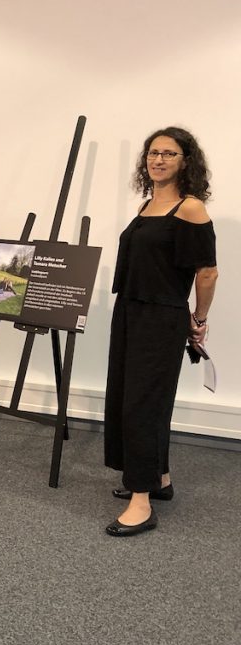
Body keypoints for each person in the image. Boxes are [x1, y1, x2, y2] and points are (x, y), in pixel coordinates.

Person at [104, 127, 217, 537]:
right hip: (130, 311)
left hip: (161, 317)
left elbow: (207, 272)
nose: (158, 160)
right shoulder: (147, 205)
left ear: (186, 162)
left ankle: (141, 502)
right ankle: (160, 479)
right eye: (153, 153)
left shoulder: (191, 209)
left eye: (169, 153)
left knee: (143, 405)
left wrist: (198, 320)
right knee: (127, 397)